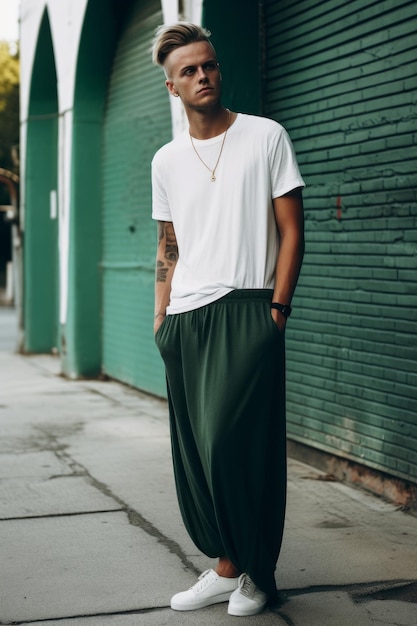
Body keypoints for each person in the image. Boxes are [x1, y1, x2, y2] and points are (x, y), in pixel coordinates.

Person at [151, 22, 305, 617]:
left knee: (231, 446)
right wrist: (160, 314)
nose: (202, 76)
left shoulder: (265, 136)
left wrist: (277, 311)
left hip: (248, 309)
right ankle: (227, 564)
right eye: (188, 71)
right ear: (172, 87)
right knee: (193, 452)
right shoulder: (167, 160)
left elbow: (292, 230)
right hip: (185, 319)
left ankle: (255, 572)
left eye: (208, 65)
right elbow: (169, 244)